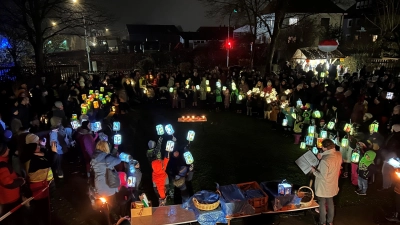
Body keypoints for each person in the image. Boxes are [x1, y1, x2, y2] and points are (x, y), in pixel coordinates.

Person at [24, 134, 54, 225]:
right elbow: (50, 163)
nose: (39, 145)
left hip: (44, 184)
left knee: (44, 205)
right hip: (40, 186)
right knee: (42, 207)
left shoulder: (34, 155)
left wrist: (44, 147)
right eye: (36, 144)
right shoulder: (34, 160)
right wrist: (54, 153)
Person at [311, 139, 342, 225]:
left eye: (322, 147)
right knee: (330, 202)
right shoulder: (338, 154)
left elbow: (322, 176)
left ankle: (322, 222)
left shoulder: (325, 160)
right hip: (333, 183)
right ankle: (330, 221)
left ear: (324, 148)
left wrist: (314, 171)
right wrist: (322, 155)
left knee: (321, 204)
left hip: (323, 186)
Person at [0, 142, 26, 225]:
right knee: (14, 218)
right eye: (6, 148)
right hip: (10, 198)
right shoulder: (2, 165)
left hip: (6, 197)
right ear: (2, 151)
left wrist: (17, 177)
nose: (9, 149)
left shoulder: (4, 162)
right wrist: (21, 181)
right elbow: (8, 183)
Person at [90, 141, 121, 208]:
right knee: (111, 206)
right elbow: (118, 160)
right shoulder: (106, 157)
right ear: (106, 147)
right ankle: (111, 217)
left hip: (99, 183)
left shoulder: (95, 156)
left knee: (103, 206)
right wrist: (117, 156)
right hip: (108, 184)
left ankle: (103, 215)